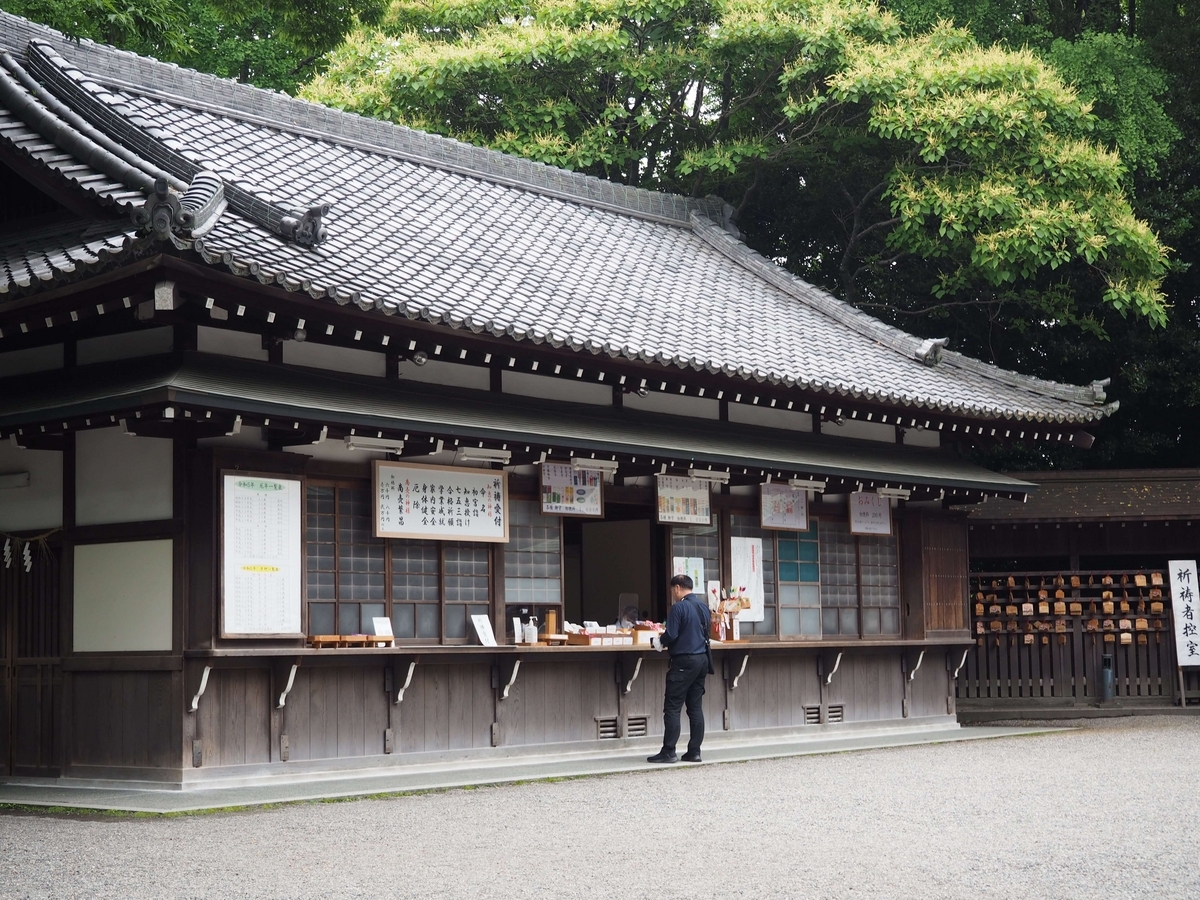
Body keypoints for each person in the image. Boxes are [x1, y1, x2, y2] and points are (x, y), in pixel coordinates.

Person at [647, 574, 711, 764]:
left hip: (684, 661)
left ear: (677, 588)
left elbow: (672, 634)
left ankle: (669, 751)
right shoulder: (703, 607)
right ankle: (694, 751)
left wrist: (659, 641)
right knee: (695, 707)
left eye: (672, 590)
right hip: (702, 660)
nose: (672, 594)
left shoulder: (678, 608)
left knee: (673, 707)